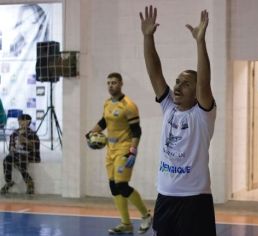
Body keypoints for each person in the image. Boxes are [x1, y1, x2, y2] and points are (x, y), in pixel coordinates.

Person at [140, 6, 217, 236]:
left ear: (196, 92)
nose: (177, 87)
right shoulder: (169, 108)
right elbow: (154, 72)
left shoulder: (202, 115)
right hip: (165, 197)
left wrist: (200, 42)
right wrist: (147, 37)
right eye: (177, 82)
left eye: (185, 84)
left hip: (195, 200)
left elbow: (204, 83)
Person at [86, 72, 152, 234]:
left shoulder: (128, 105)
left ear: (121, 84)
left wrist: (132, 151)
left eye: (114, 83)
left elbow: (137, 131)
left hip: (125, 149)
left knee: (122, 185)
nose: (111, 86)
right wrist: (90, 133)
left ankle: (146, 215)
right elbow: (104, 122)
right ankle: (126, 224)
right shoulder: (107, 103)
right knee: (113, 187)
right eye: (108, 83)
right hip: (110, 150)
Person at [0, 114, 40, 195]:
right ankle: (8, 181)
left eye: (23, 121)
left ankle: (29, 182)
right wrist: (12, 148)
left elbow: (35, 147)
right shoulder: (15, 133)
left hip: (28, 154)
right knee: (7, 160)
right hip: (16, 153)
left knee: (20, 161)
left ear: (28, 122)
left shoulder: (32, 134)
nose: (21, 122)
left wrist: (26, 142)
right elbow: (11, 145)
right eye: (20, 120)